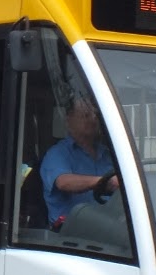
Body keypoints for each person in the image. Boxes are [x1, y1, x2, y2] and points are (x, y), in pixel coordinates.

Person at [39, 97, 118, 229]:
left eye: (95, 115)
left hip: (108, 228)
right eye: (86, 115)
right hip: (71, 233)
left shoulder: (108, 154)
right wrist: (105, 182)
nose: (92, 119)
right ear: (69, 120)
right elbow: (64, 182)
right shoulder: (57, 153)